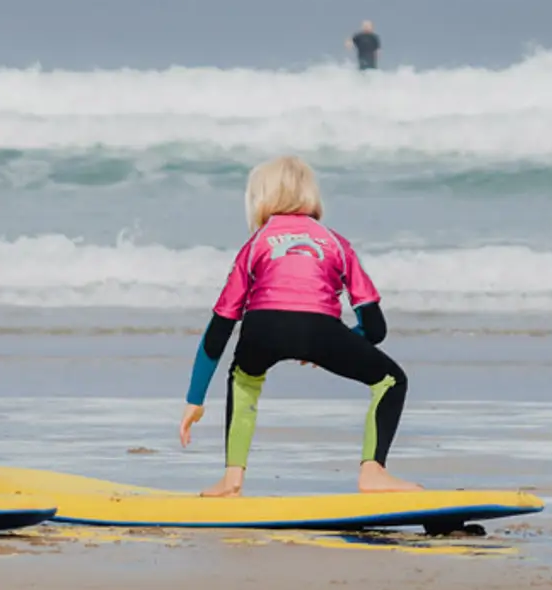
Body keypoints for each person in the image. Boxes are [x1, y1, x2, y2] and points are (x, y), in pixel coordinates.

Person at [178, 155, 418, 497]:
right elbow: (375, 327)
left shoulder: (256, 244)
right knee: (391, 381)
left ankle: (232, 479)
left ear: (260, 199)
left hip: (262, 327)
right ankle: (373, 473)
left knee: (244, 380)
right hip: (320, 327)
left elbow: (221, 324)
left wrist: (195, 399)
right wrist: (334, 345)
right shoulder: (335, 242)